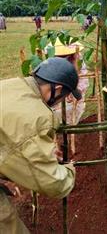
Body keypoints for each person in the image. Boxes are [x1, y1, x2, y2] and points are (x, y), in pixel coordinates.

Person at [0, 57, 82, 233]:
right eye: (64, 97)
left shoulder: (12, 85)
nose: (60, 102)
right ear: (57, 90)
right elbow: (52, 183)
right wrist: (68, 171)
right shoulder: (34, 118)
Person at [45, 37, 89, 126]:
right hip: (56, 96)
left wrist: (74, 90)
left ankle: (69, 123)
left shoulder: (78, 60)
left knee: (72, 110)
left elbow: (82, 80)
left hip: (72, 96)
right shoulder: (50, 63)